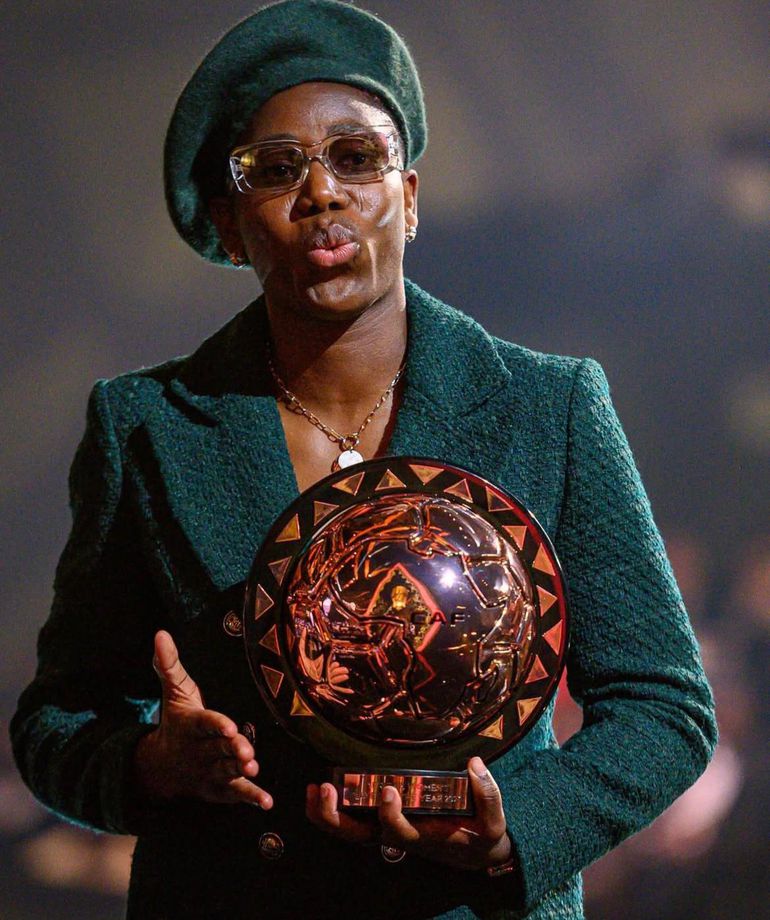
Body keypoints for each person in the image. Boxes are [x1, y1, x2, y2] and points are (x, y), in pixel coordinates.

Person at [10, 2, 717, 918]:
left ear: (408, 197)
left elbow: (665, 709)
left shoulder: (552, 405)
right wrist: (150, 762)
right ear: (228, 223)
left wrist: (517, 830)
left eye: (356, 158)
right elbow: (57, 721)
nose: (322, 193)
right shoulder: (146, 427)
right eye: (276, 170)